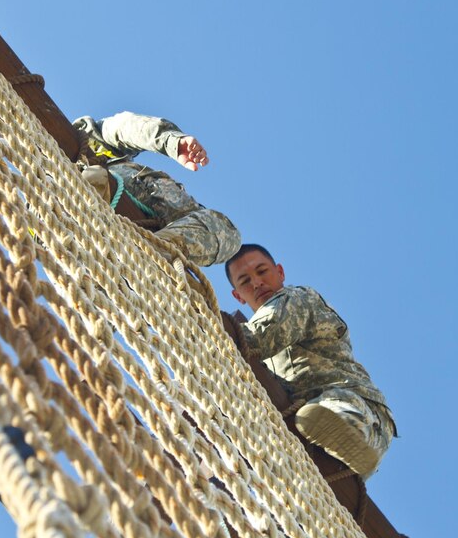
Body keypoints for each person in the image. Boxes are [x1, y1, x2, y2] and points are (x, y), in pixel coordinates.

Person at [226, 244, 396, 479]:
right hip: (301, 436)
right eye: (245, 281)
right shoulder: (259, 360)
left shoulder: (297, 300)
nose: (256, 283)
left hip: (355, 409)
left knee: (320, 414)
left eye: (262, 271)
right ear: (238, 296)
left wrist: (207, 327)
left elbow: (259, 337)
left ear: (280, 272)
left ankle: (349, 435)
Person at [71, 111, 240, 267]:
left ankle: (155, 252)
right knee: (93, 177)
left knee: (227, 232)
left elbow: (125, 127)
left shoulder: (82, 135)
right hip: (90, 210)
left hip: (158, 205)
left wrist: (172, 142)